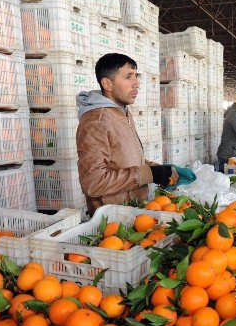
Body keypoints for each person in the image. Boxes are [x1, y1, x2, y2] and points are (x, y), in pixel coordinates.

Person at [76, 53, 178, 215]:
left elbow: (123, 158)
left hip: (132, 212)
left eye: (136, 76)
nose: (136, 83)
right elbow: (93, 183)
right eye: (128, 77)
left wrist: (160, 170)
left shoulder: (121, 113)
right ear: (107, 83)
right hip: (112, 222)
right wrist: (147, 174)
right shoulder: (97, 122)